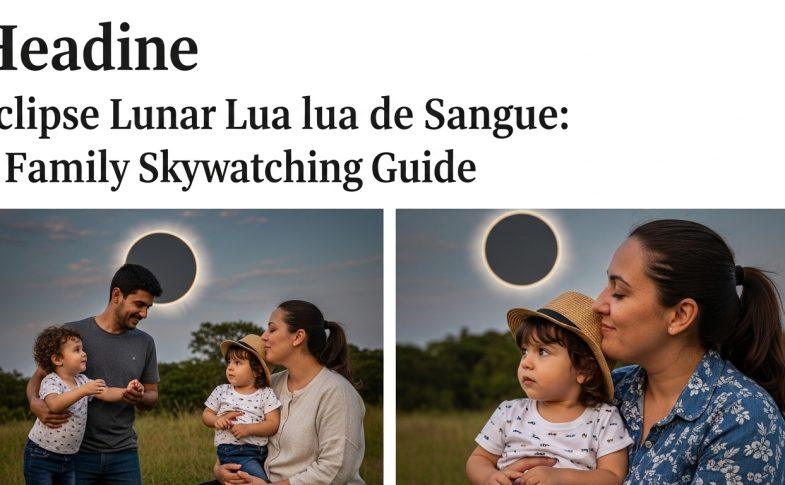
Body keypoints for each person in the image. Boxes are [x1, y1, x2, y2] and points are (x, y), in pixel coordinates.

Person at [592, 219, 785, 483]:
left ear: (680, 315)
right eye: (607, 286)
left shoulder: (744, 417)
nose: (598, 304)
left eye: (620, 293)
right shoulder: (610, 389)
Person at [466, 291, 633, 485]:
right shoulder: (509, 413)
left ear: (584, 369)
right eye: (524, 351)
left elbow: (613, 476)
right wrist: (488, 477)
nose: (526, 362)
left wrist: (562, 477)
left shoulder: (603, 418)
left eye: (542, 352)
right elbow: (478, 460)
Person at [26, 263, 162, 484]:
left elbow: (152, 395)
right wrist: (34, 403)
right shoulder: (72, 335)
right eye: (139, 304)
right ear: (117, 295)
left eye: (148, 307)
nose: (144, 313)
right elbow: (37, 379)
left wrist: (139, 397)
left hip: (123, 454)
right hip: (74, 455)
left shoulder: (145, 343)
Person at [212, 300, 365, 485]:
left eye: (272, 329)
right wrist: (220, 470)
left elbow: (336, 469)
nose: (263, 337)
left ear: (298, 337)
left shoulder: (338, 393)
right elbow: (240, 434)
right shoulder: (269, 385)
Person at [24, 325, 141, 484]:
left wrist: (126, 391)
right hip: (41, 455)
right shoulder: (51, 380)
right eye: (77, 350)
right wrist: (84, 390)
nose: (84, 353)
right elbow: (54, 404)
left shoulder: (81, 380)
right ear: (58, 359)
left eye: (82, 349)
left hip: (69, 458)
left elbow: (106, 392)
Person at [202, 334, 281, 481]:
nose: (230, 367)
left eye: (238, 363)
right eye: (229, 362)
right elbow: (206, 414)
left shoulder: (266, 394)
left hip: (262, 452)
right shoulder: (222, 391)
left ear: (257, 371)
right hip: (234, 452)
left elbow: (273, 424)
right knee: (258, 480)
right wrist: (216, 420)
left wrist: (248, 429)